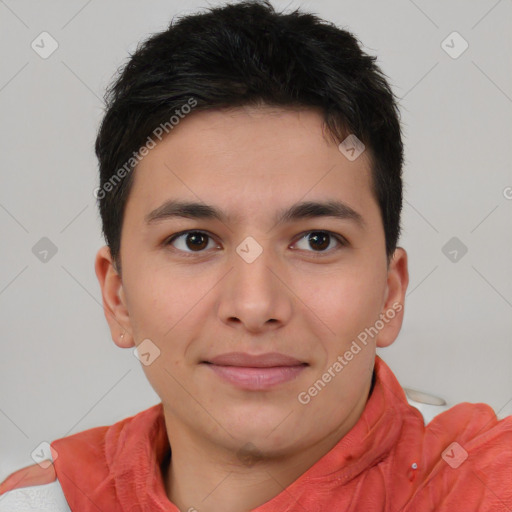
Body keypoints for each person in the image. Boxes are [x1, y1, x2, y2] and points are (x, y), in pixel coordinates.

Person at [1, 1, 511, 511]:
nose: (254, 305)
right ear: (118, 299)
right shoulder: (40, 503)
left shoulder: (481, 482)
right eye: (194, 240)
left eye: (317, 240)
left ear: (390, 294)